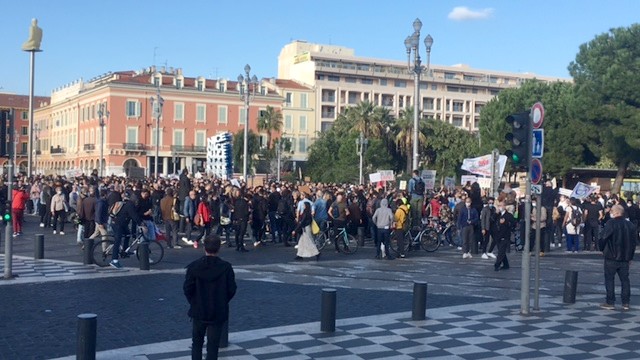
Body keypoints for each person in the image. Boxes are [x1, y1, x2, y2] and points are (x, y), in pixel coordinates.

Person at [184, 234, 237, 360]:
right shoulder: (226, 267)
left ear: (204, 248)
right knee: (213, 346)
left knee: (197, 343)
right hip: (217, 310)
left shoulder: (194, 267)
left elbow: (187, 288)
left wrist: (194, 302)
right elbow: (232, 289)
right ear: (219, 248)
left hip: (198, 310)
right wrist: (222, 301)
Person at [598, 204, 637, 310]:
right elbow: (633, 243)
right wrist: (630, 257)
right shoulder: (630, 225)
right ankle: (626, 302)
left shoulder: (611, 223)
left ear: (615, 212)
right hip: (625, 257)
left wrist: (601, 249)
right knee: (625, 280)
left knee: (609, 279)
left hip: (611, 256)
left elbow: (603, 237)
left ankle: (610, 302)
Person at [494, 201, 516, 271]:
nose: (500, 207)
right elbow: (492, 220)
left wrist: (505, 222)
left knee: (501, 252)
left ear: (504, 206)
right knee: (501, 251)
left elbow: (513, 224)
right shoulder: (498, 215)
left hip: (505, 236)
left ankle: (497, 265)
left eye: (501, 205)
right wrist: (495, 214)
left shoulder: (508, 215)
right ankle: (506, 264)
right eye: (499, 206)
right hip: (498, 236)